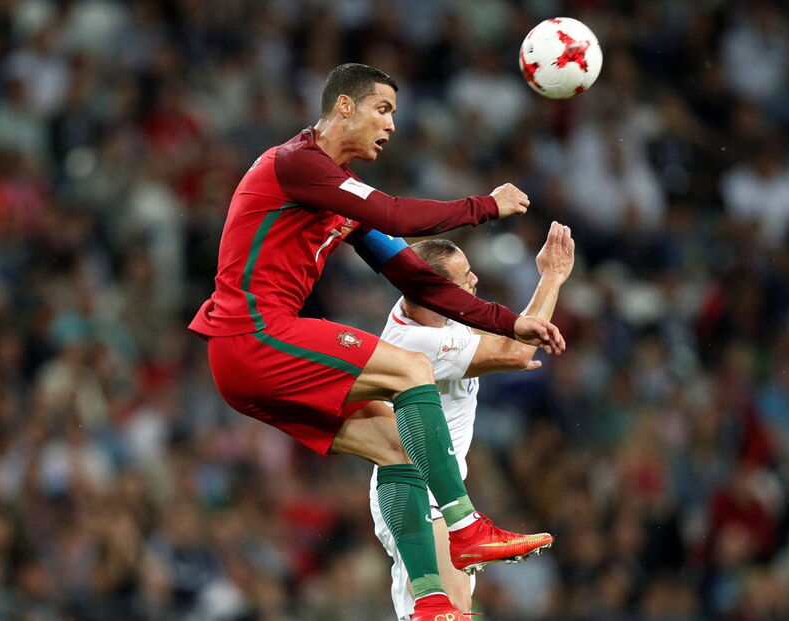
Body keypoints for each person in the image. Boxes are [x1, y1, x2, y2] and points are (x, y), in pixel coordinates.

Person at [188, 63, 565, 621]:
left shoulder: (339, 195)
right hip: (253, 334)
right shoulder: (296, 163)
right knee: (412, 370)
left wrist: (509, 322)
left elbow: (415, 276)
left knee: (399, 449)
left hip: (250, 355)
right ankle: (465, 527)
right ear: (344, 106)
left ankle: (430, 601)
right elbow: (393, 213)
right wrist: (485, 205)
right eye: (382, 109)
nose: (391, 124)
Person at [369, 222, 576, 620]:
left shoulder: (435, 313)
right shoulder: (415, 342)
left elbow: (510, 344)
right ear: (436, 290)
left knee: (454, 610)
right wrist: (552, 277)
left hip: (441, 492)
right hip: (414, 491)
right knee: (443, 610)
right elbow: (515, 351)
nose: (475, 280)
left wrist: (507, 350)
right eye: (465, 278)